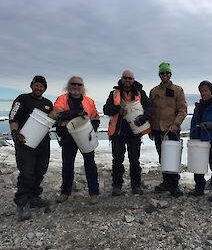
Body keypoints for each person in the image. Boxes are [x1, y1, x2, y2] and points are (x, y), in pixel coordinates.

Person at [9, 75, 53, 221]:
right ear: (32, 86)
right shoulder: (22, 99)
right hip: (25, 142)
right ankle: (22, 202)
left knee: (40, 171)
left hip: (43, 143)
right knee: (27, 173)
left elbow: (52, 119)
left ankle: (33, 197)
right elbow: (13, 117)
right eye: (37, 85)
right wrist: (15, 132)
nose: (39, 88)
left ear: (44, 88)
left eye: (41, 86)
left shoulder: (48, 103)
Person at [50, 76, 100, 205]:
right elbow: (57, 115)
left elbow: (95, 117)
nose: (76, 87)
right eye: (73, 84)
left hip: (85, 136)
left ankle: (94, 192)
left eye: (79, 84)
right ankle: (65, 192)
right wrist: (76, 113)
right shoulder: (62, 99)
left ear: (82, 86)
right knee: (67, 164)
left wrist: (92, 129)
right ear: (68, 85)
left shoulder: (89, 101)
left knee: (90, 164)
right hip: (68, 136)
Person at [103, 70, 152, 196]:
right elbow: (106, 109)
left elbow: (150, 108)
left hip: (134, 132)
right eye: (125, 78)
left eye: (130, 78)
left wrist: (144, 117)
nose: (127, 80)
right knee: (117, 161)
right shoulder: (113, 94)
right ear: (121, 78)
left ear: (133, 80)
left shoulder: (141, 93)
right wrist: (118, 109)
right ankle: (117, 186)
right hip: (118, 133)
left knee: (135, 160)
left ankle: (136, 185)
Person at [149, 62, 187, 197]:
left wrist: (176, 124)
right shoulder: (153, 91)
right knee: (162, 157)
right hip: (158, 129)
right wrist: (150, 130)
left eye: (167, 73)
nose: (164, 75)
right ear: (159, 74)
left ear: (170, 74)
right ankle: (166, 182)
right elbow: (150, 111)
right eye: (162, 73)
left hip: (172, 129)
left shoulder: (178, 90)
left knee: (173, 157)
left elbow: (183, 110)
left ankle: (174, 185)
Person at [189, 81, 212, 201]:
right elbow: (194, 122)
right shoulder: (198, 106)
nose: (203, 93)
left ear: (211, 91)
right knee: (198, 164)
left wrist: (211, 125)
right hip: (198, 139)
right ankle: (199, 188)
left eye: (206, 90)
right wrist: (192, 135)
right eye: (201, 91)